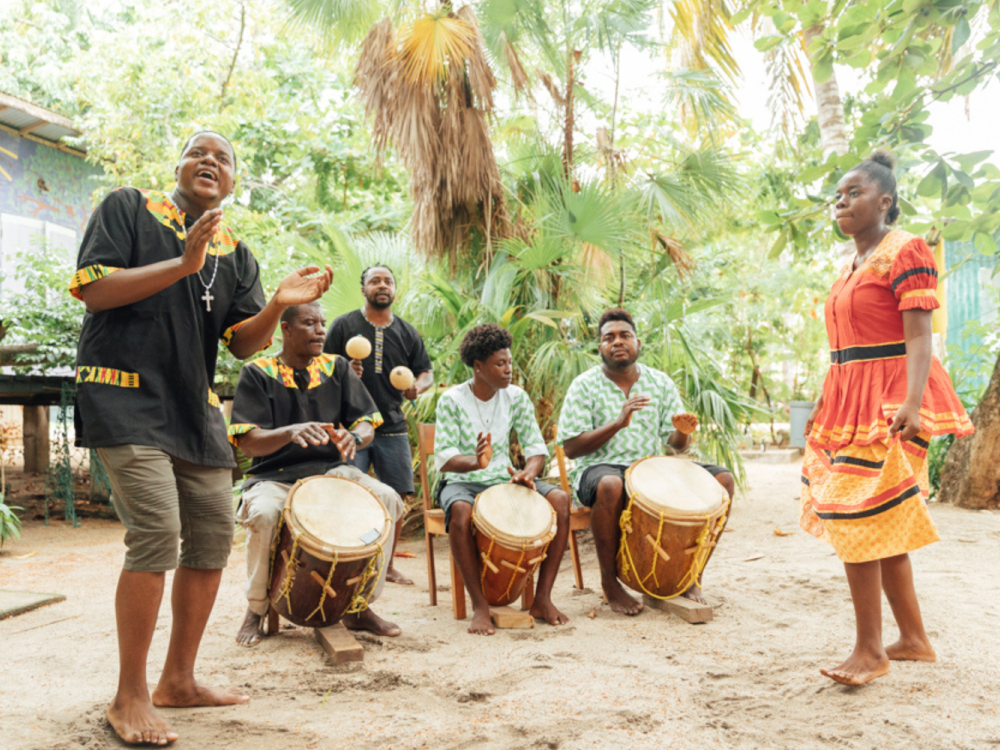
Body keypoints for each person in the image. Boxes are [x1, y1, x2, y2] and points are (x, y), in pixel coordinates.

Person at [70, 131, 333, 746]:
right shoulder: (129, 207)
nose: (211, 162)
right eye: (199, 152)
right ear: (180, 166)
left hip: (193, 408)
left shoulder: (235, 252)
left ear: (233, 181)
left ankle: (178, 681)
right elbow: (93, 288)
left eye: (224, 158)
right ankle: (129, 694)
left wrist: (276, 305)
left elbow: (243, 343)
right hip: (123, 393)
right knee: (157, 531)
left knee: (212, 536)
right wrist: (184, 264)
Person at [801, 150, 974, 686]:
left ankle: (870, 650)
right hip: (848, 398)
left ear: (885, 200)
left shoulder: (906, 249)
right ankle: (914, 640)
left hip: (892, 397)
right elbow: (846, 346)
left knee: (855, 517)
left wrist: (913, 403)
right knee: (880, 521)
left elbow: (920, 334)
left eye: (853, 193)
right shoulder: (850, 263)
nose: (842, 203)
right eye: (838, 196)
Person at [229, 302, 405, 647]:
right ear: (286, 329)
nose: (320, 330)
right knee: (265, 514)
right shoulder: (257, 372)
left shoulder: (337, 367)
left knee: (389, 500)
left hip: (331, 471)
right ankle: (257, 608)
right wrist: (289, 432)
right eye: (309, 323)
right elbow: (247, 442)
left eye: (323, 323)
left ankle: (360, 605)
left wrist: (354, 437)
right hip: (273, 476)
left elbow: (367, 422)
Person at [558, 308, 735, 616]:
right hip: (599, 469)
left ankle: (692, 576)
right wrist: (617, 422)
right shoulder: (583, 385)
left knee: (722, 481)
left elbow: (677, 446)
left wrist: (683, 432)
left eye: (625, 335)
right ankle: (610, 584)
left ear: (637, 343)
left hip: (653, 471)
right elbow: (572, 448)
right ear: (599, 347)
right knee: (611, 484)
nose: (617, 341)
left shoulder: (659, 382)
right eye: (608, 337)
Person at [434, 324, 571, 635]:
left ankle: (542, 599)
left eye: (509, 362)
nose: (509, 370)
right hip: (461, 481)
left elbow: (536, 450)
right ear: (478, 367)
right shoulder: (452, 400)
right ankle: (480, 606)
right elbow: (444, 459)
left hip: (505, 480)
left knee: (561, 500)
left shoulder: (515, 397)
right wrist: (476, 461)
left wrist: (528, 473)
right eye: (500, 364)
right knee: (460, 512)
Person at [325, 264, 433, 585]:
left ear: (394, 290)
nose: (382, 285)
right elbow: (322, 364)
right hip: (352, 427)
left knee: (397, 497)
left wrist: (418, 387)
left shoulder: (407, 332)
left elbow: (425, 371)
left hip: (392, 425)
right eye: (375, 281)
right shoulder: (344, 325)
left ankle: (385, 565)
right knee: (348, 493)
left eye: (388, 280)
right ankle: (348, 561)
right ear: (364, 289)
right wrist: (344, 371)